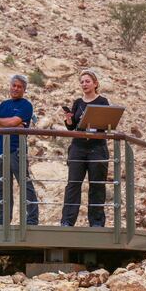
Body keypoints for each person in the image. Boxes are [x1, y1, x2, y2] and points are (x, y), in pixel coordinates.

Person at [60, 69, 110, 227]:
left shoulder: (103, 101)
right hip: (78, 146)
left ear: (95, 83)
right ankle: (67, 221)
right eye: (82, 82)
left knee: (97, 184)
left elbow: (106, 124)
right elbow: (71, 127)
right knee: (73, 184)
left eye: (87, 81)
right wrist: (68, 119)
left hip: (97, 147)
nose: (84, 84)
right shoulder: (77, 103)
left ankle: (96, 223)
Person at [0, 74, 39, 225]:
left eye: (19, 87)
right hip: (2, 152)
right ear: (10, 87)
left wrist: (2, 122)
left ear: (24, 90)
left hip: (17, 150)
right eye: (14, 85)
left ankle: (32, 219)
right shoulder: (3, 105)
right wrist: (8, 123)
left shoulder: (26, 105)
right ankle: (3, 220)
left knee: (25, 184)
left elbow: (15, 122)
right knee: (3, 187)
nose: (16, 88)